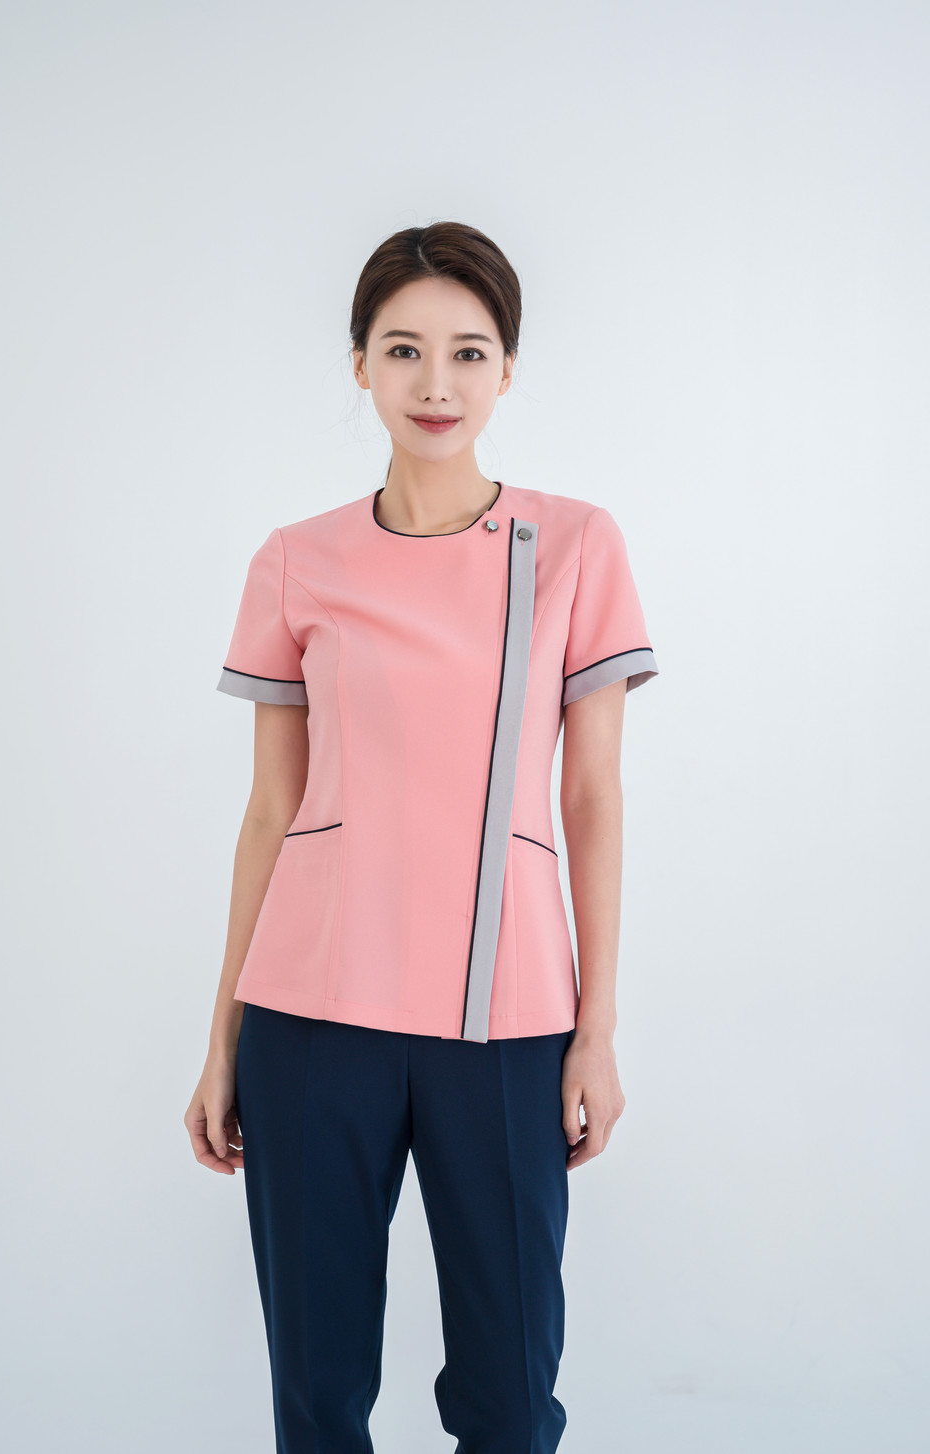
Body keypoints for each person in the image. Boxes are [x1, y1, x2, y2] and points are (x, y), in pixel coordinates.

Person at [184, 220, 660, 1453]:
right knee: (317, 1391)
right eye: (402, 349)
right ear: (359, 364)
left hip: (504, 1022)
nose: (435, 382)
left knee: (510, 1397)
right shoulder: (296, 561)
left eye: (467, 350)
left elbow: (592, 794)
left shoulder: (574, 545)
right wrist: (222, 1038)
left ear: (508, 368)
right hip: (310, 1016)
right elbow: (270, 811)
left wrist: (595, 1026)